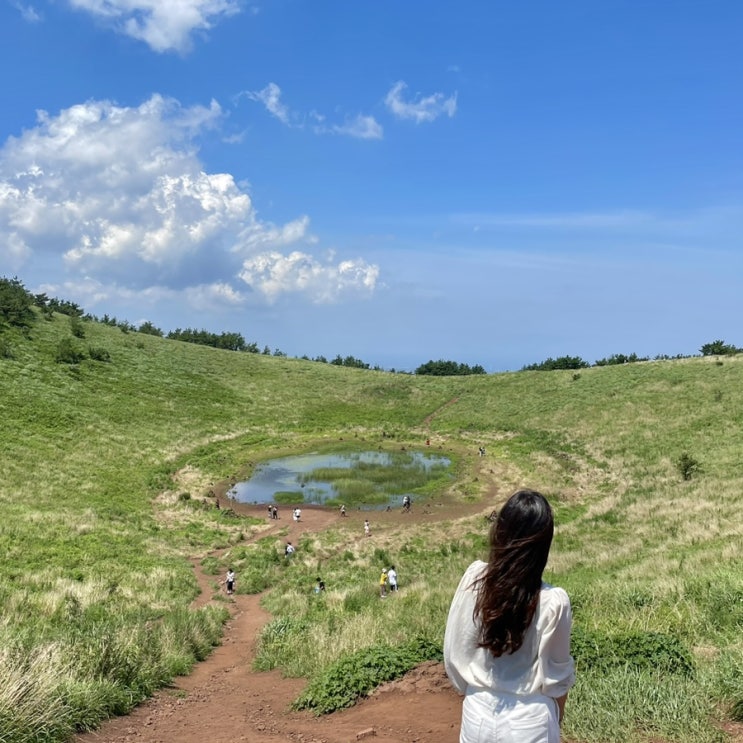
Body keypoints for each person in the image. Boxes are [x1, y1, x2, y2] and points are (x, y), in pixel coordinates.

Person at [444, 489, 575, 743]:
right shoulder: (553, 602)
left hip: (477, 712)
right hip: (529, 720)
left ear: (500, 532)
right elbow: (557, 680)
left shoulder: (474, 580)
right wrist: (554, 721)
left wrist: (475, 690)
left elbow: (454, 650)